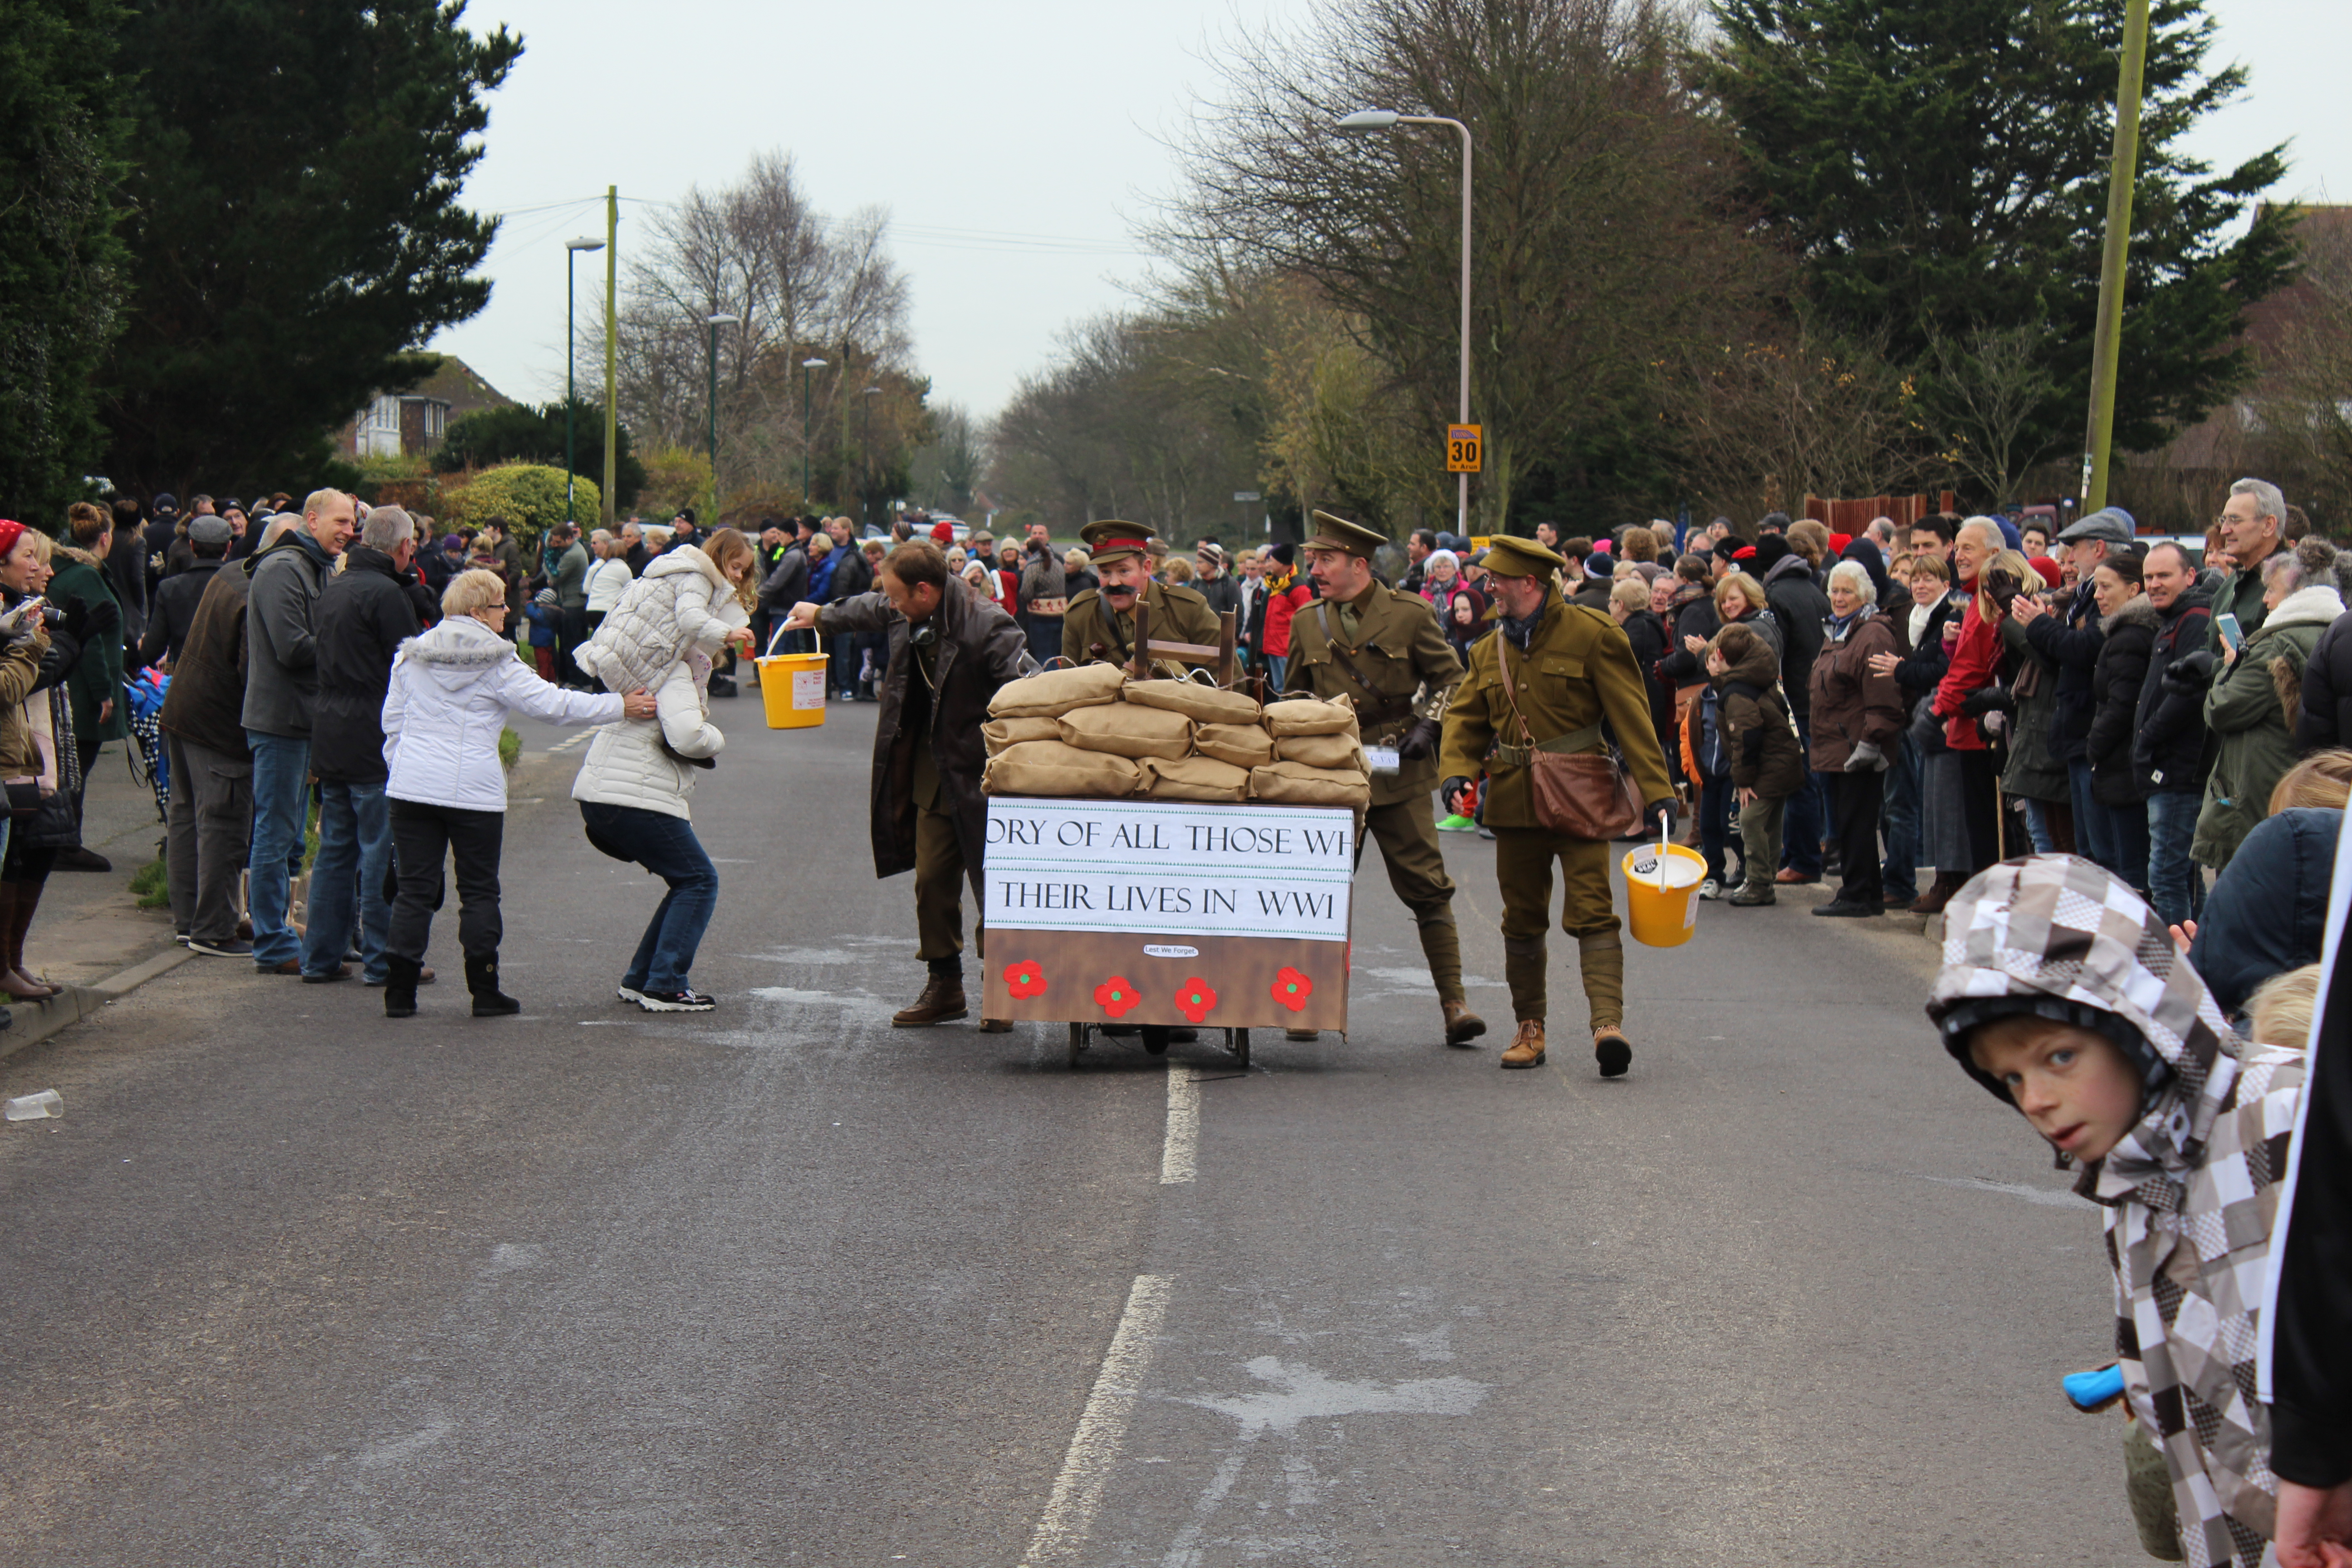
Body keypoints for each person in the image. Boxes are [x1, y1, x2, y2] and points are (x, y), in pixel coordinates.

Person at [1928, 855, 2307, 1568]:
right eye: (2011, 1076)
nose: (2035, 1098)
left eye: (2060, 1057)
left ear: (2141, 1021)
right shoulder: (2133, 1181)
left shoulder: (2285, 1120)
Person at [1437, 534, 1674, 1076]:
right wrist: (1455, 772)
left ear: (1531, 583)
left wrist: (1657, 789)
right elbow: (1466, 720)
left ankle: (1607, 1025)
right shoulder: (1486, 649)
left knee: (1593, 911)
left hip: (1582, 795)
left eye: (1497, 580)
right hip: (1514, 804)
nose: (1488, 587)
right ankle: (1530, 1029)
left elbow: (1632, 717)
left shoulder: (1594, 636)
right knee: (1520, 921)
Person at [379, 569, 654, 1018]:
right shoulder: (497, 661)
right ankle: (485, 990)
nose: (508, 612)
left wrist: (403, 764)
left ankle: (399, 991)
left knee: (414, 888)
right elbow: (553, 704)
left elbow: (393, 722)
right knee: (480, 890)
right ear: (476, 612)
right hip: (474, 791)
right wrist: (619, 706)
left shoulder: (412, 656)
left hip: (412, 787)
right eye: (500, 605)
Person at [782, 540, 1029, 1029]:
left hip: (985, 776)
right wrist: (822, 615)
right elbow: (871, 606)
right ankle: (946, 985)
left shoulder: (990, 625)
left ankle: (1002, 991)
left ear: (925, 590)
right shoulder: (904, 607)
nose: (889, 604)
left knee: (995, 885)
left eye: (897, 596)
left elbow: (1027, 693)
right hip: (932, 771)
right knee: (932, 879)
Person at [1283, 512, 1482, 1047]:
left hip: (1401, 769)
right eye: (1314, 559)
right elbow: (1293, 699)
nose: (1315, 569)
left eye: (1326, 560)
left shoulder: (1410, 615)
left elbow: (1451, 678)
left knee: (1428, 888)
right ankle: (1307, 1002)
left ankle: (1454, 1003)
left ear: (1359, 565)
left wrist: (1430, 725)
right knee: (1315, 889)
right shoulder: (1306, 622)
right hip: (1331, 774)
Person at [572, 552, 740, 1013]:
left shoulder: (655, 661)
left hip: (603, 791)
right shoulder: (679, 670)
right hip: (632, 797)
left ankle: (641, 977)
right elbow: (688, 736)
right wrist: (717, 739)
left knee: (685, 878)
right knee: (700, 880)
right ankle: (665, 983)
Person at [300, 505, 427, 987]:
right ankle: (381, 958)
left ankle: (320, 956)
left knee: (335, 849)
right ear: (401, 546)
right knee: (380, 848)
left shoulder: (334, 588)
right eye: (410, 544)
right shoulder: (386, 595)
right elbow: (410, 667)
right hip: (374, 730)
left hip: (331, 726)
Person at [242, 488, 354, 973]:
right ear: (312, 519)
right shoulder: (283, 569)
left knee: (289, 838)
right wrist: (350, 642)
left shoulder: (316, 567)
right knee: (275, 832)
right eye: (342, 521)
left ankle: (283, 931)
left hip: (304, 718)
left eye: (353, 523)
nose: (349, 531)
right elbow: (293, 648)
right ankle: (271, 942)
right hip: (280, 721)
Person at [2192, 545, 2342, 873]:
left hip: (2256, 797)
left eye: (2271, 590)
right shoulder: (2335, 635)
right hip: (2306, 787)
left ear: (2297, 592)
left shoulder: (2275, 644)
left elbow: (2221, 709)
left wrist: (2229, 667)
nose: (2265, 600)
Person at [156, 518, 259, 959]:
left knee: (186, 817)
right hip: (219, 723)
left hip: (182, 708)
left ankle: (189, 921)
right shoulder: (255, 591)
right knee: (223, 820)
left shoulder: (229, 576)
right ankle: (214, 927)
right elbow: (254, 672)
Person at [2018, 508, 2132, 879]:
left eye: (2074, 548)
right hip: (2076, 731)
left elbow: (2082, 649)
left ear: (2099, 548)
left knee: (2102, 854)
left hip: (2092, 733)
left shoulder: (2110, 600)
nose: (2067, 559)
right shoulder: (2085, 595)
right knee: (2085, 849)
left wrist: (2035, 625)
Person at [1806, 559, 1902, 915]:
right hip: (1837, 745)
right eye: (1834, 590)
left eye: (1847, 591)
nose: (1839, 597)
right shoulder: (1840, 630)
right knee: (1849, 822)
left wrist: (1871, 741)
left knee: (1856, 823)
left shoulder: (1872, 634)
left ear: (1864, 595)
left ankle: (1857, 894)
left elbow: (1883, 693)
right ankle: (1866, 893)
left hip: (1857, 747)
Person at [0, 521, 65, 1004]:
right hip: (8, 760)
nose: (41, 568)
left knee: (21, 854)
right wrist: (34, 646)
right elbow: (5, 688)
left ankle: (8, 964)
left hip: (16, 756)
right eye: (29, 556)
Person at [2135, 541, 2215, 927]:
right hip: (2167, 770)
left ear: (2190, 576)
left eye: (2164, 575)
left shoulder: (2195, 620)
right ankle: (2194, 965)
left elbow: (2188, 695)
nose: (2154, 584)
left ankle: (2173, 973)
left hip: (2179, 773)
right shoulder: (2170, 620)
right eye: (2149, 576)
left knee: (2166, 877)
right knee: (2182, 875)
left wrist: (2147, 739)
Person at [1709, 622, 1803, 908]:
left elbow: (1746, 738)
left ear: (1723, 656)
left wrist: (1744, 781)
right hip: (1783, 760)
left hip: (1767, 765)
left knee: (1750, 820)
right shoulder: (1759, 677)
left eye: (1713, 658)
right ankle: (1766, 878)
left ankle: (1759, 881)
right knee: (1771, 822)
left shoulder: (1737, 693)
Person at [1061, 520, 1223, 675]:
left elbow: (1230, 682)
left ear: (1146, 568)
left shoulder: (1188, 610)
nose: (1114, 583)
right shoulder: (1081, 614)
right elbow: (1068, 687)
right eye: (1105, 572)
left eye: (1124, 571)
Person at [2083, 552, 2156, 892]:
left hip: (2123, 766)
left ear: (2133, 590)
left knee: (2132, 870)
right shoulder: (2125, 633)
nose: (2097, 595)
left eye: (2105, 586)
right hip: (2120, 765)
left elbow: (2122, 705)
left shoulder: (2130, 637)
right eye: (2096, 586)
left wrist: (2094, 746)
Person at [2209, 478, 2292, 656]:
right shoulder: (2229, 585)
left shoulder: (2292, 584)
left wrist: (2212, 667)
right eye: (2224, 520)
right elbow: (2211, 645)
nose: (2224, 530)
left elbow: (2275, 660)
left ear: (2268, 525)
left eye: (2235, 521)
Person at [1607, 576, 1675, 791]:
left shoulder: (1636, 630)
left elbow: (1622, 671)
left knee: (1633, 770)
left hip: (1638, 711)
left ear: (1621, 604)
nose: (1608, 605)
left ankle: (1638, 824)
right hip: (1647, 710)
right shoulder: (1643, 625)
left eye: (1611, 600)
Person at [583, 529, 634, 637]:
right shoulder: (624, 569)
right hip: (609, 610)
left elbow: (586, 589)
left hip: (591, 609)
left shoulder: (598, 566)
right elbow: (630, 592)